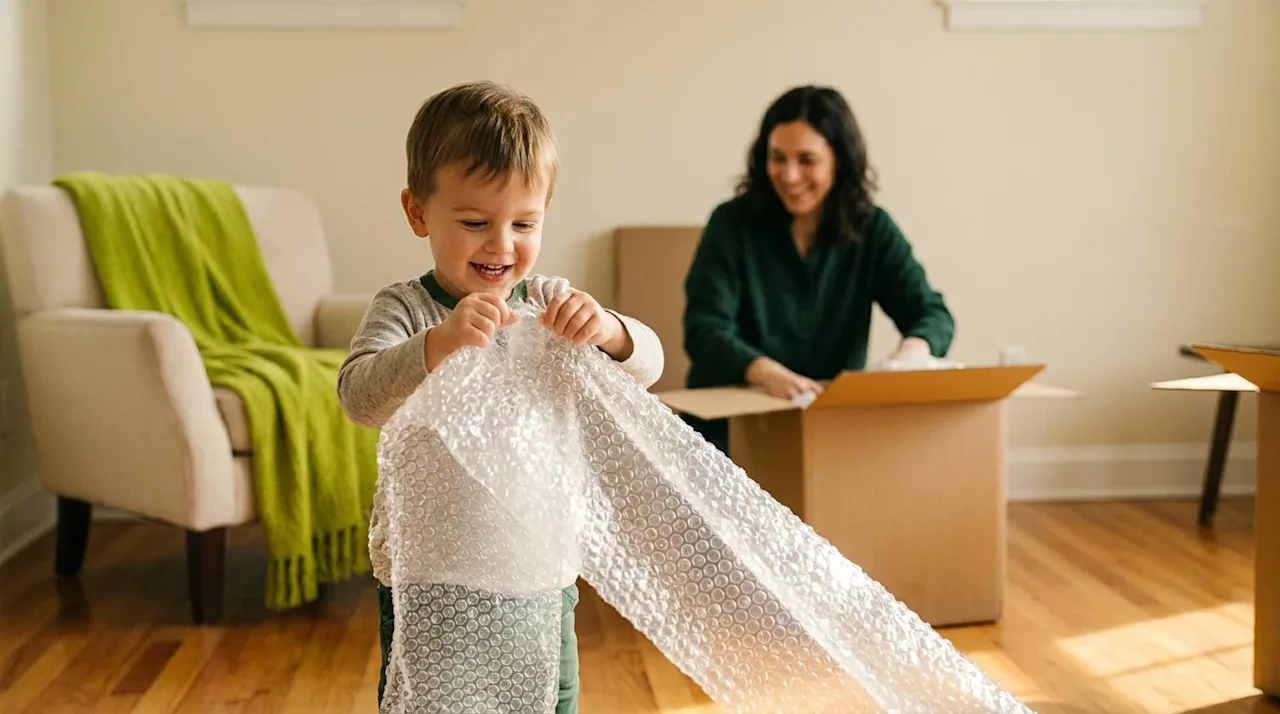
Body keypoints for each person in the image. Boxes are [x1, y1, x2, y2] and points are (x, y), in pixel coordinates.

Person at [336, 80, 665, 713]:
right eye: (474, 222)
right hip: (433, 579)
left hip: (537, 576)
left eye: (524, 223)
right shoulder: (405, 309)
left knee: (547, 701)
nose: (502, 244)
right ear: (417, 213)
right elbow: (359, 396)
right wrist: (436, 345)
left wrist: (610, 330)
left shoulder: (548, 305)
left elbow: (648, 366)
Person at [682, 85, 955, 454]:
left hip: (825, 418)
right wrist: (768, 374)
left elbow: (930, 313)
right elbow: (705, 330)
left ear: (838, 161)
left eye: (806, 160)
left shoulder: (872, 229)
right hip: (730, 421)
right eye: (778, 158)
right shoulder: (731, 224)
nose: (790, 176)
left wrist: (910, 355)